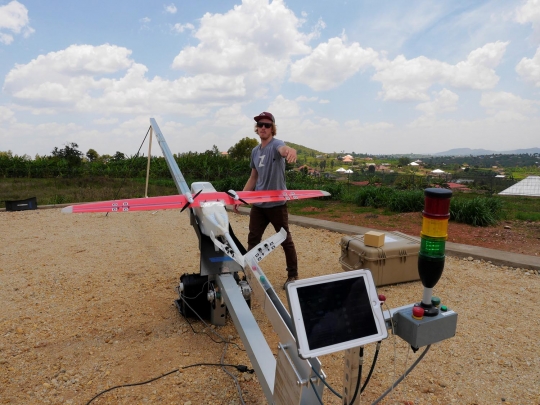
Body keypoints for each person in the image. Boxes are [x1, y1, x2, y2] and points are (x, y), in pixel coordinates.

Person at [239, 112, 298, 289]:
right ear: (256, 129)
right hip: (258, 205)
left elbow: (284, 149)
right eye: (260, 125)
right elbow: (253, 177)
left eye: (267, 125)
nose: (263, 127)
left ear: (272, 128)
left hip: (277, 205)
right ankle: (249, 275)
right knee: (253, 239)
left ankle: (293, 276)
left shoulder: (276, 145)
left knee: (285, 239)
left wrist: (290, 151)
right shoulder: (255, 152)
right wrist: (241, 198)